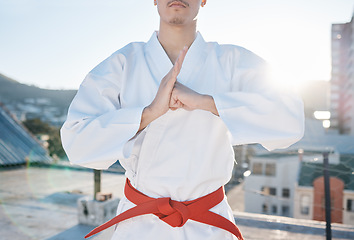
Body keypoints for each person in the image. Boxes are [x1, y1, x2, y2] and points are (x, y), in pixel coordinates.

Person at [60, 0, 304, 239]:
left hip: (208, 224)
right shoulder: (123, 63)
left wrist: (207, 102)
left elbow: (290, 120)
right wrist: (149, 113)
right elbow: (76, 141)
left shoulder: (232, 61)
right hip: (139, 225)